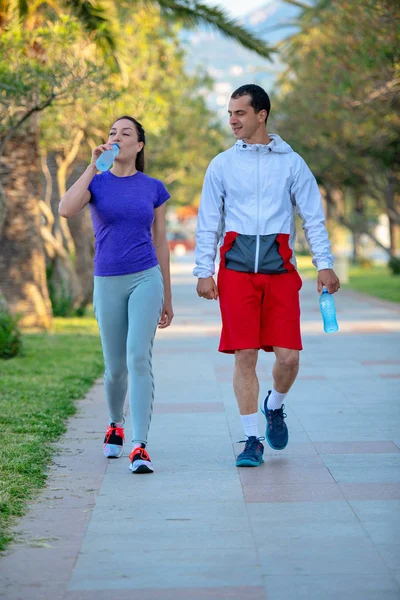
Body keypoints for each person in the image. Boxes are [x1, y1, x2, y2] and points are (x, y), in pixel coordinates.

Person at [194, 84, 340, 468]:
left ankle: (274, 405)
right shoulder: (222, 164)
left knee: (289, 358)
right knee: (245, 355)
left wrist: (323, 263)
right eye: (229, 113)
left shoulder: (292, 163)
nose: (232, 121)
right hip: (236, 272)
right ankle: (252, 438)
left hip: (279, 272)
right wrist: (203, 270)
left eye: (239, 113)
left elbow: (312, 216)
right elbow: (208, 221)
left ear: (261, 114)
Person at [59, 116, 173, 474]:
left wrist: (167, 296)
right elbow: (65, 209)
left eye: (126, 134)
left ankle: (140, 445)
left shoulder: (153, 187)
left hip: (145, 277)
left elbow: (160, 242)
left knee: (139, 358)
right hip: (107, 280)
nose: (117, 138)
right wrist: (92, 166)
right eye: (112, 133)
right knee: (114, 369)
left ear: (139, 146)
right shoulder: (98, 182)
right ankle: (114, 423)